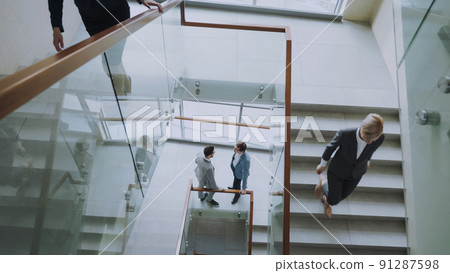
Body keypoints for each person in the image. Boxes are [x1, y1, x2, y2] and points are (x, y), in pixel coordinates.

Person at [48, 0, 163, 95]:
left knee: (111, 64)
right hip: (92, 20)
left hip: (116, 12)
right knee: (113, 59)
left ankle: (121, 99)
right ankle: (126, 82)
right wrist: (56, 27)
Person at [315, 113, 385, 219]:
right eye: (367, 139)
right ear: (362, 128)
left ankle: (327, 198)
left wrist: (368, 161)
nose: (370, 142)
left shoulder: (379, 138)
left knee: (342, 196)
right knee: (334, 200)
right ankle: (323, 183)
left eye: (373, 140)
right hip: (338, 171)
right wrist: (322, 164)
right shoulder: (345, 134)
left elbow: (371, 150)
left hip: (357, 173)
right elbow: (330, 148)